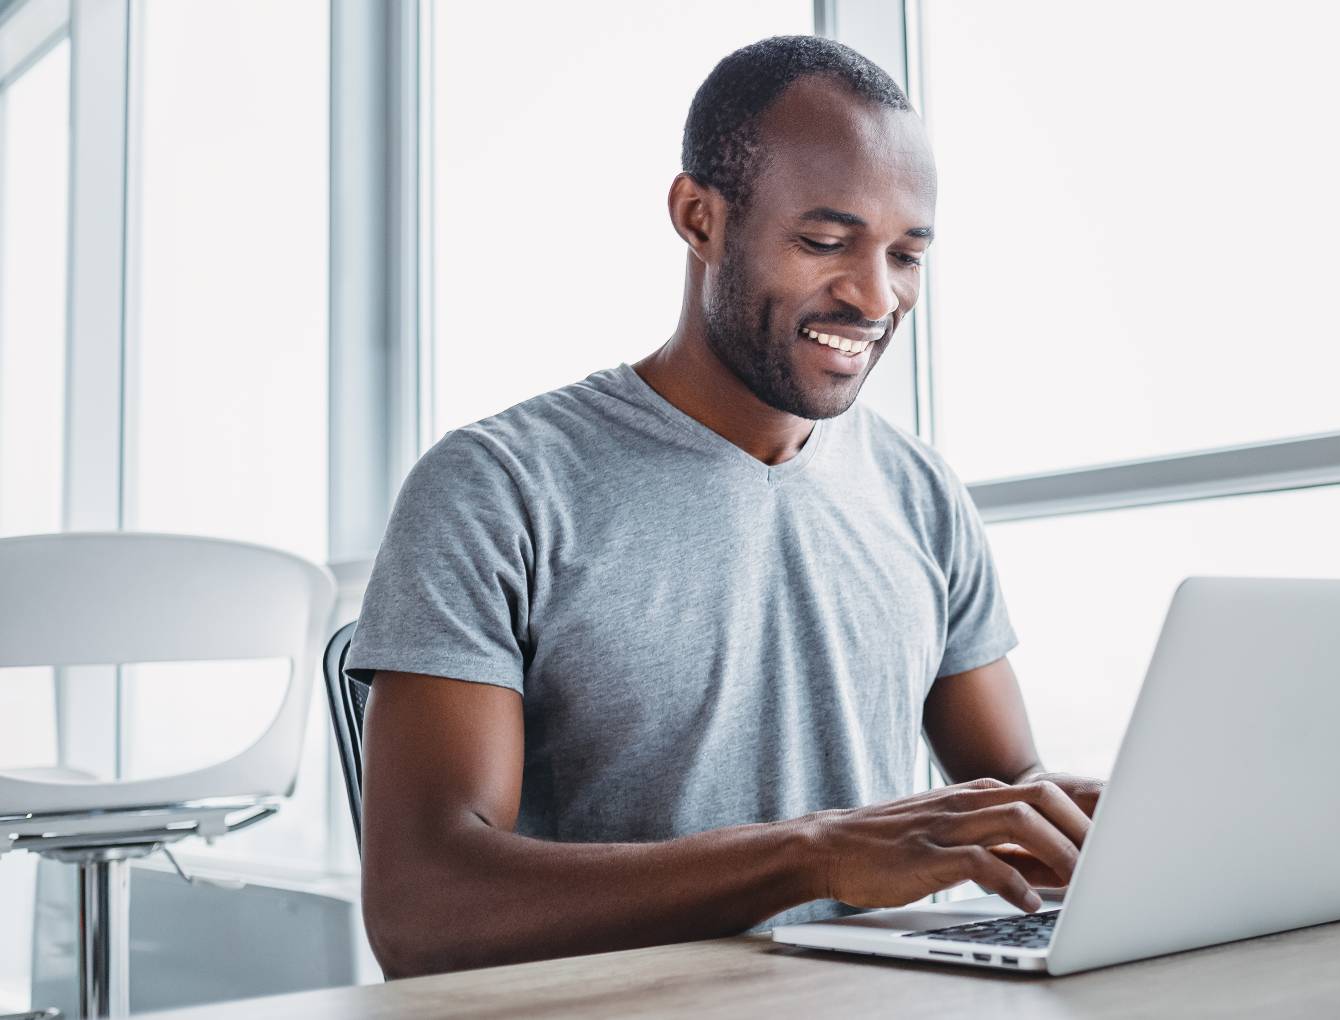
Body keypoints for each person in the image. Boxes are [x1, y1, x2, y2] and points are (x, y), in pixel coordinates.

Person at [346, 35, 1103, 979]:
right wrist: (814, 854)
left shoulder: (920, 491)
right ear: (700, 218)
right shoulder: (497, 488)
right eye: (825, 242)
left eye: (906, 254)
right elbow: (423, 911)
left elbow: (1007, 787)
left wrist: (1118, 829)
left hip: (883, 1002)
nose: (875, 296)